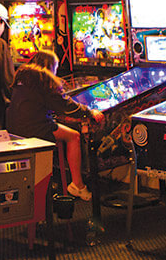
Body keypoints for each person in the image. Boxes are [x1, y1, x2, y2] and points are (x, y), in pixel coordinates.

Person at [6, 50, 103, 200]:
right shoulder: (45, 80)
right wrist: (90, 112)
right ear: (50, 67)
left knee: (61, 128)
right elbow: (67, 106)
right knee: (74, 136)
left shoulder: (23, 76)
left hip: (14, 127)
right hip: (34, 128)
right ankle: (77, 185)